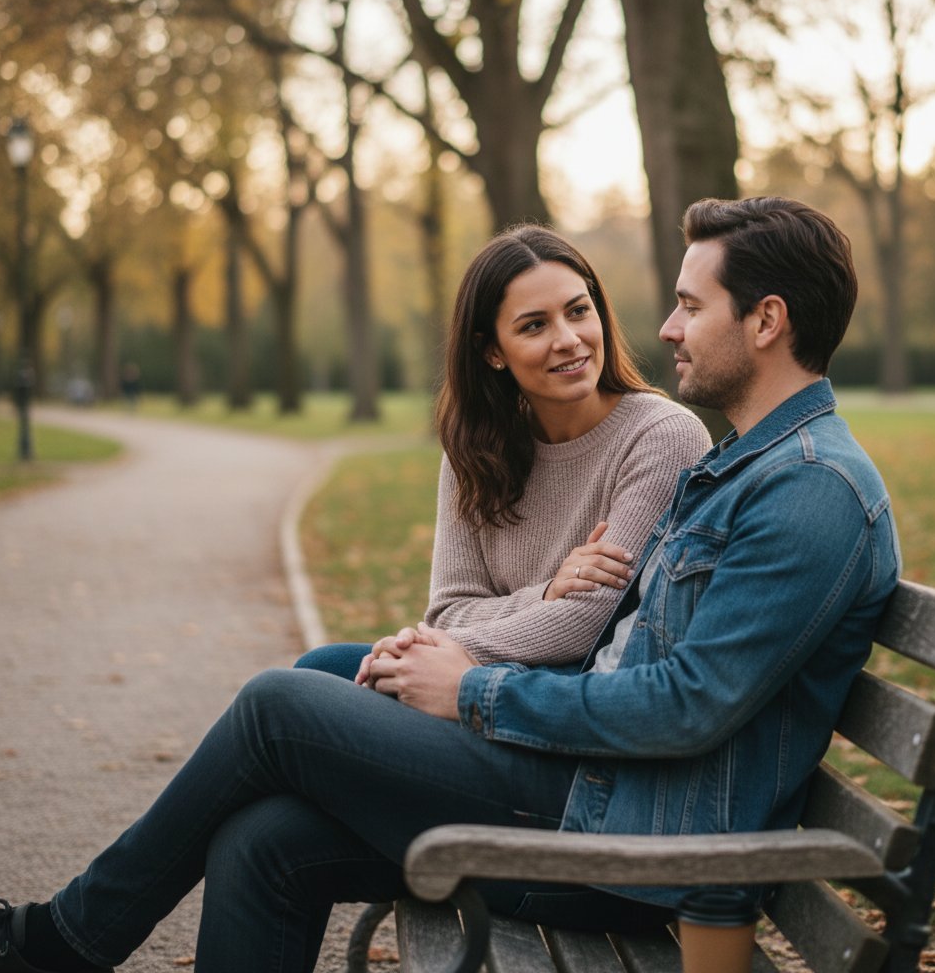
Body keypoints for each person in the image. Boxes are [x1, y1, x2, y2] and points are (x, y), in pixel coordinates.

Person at [0, 197, 900, 973]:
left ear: (765, 321)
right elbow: (597, 647)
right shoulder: (749, 468)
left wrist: (474, 690)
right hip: (599, 788)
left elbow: (685, 706)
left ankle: (66, 942)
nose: (664, 328)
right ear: (492, 350)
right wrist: (516, 629)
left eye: (690, 305)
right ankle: (65, 940)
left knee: (278, 705)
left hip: (624, 837)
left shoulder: (808, 489)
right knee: (264, 839)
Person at [295, 225, 710, 682]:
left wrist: (433, 654)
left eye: (578, 311)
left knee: (294, 690)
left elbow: (592, 617)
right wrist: (546, 593)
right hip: (485, 669)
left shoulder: (662, 436)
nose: (568, 339)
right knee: (318, 669)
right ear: (493, 351)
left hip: (569, 690)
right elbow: (448, 611)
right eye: (534, 325)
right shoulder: (474, 449)